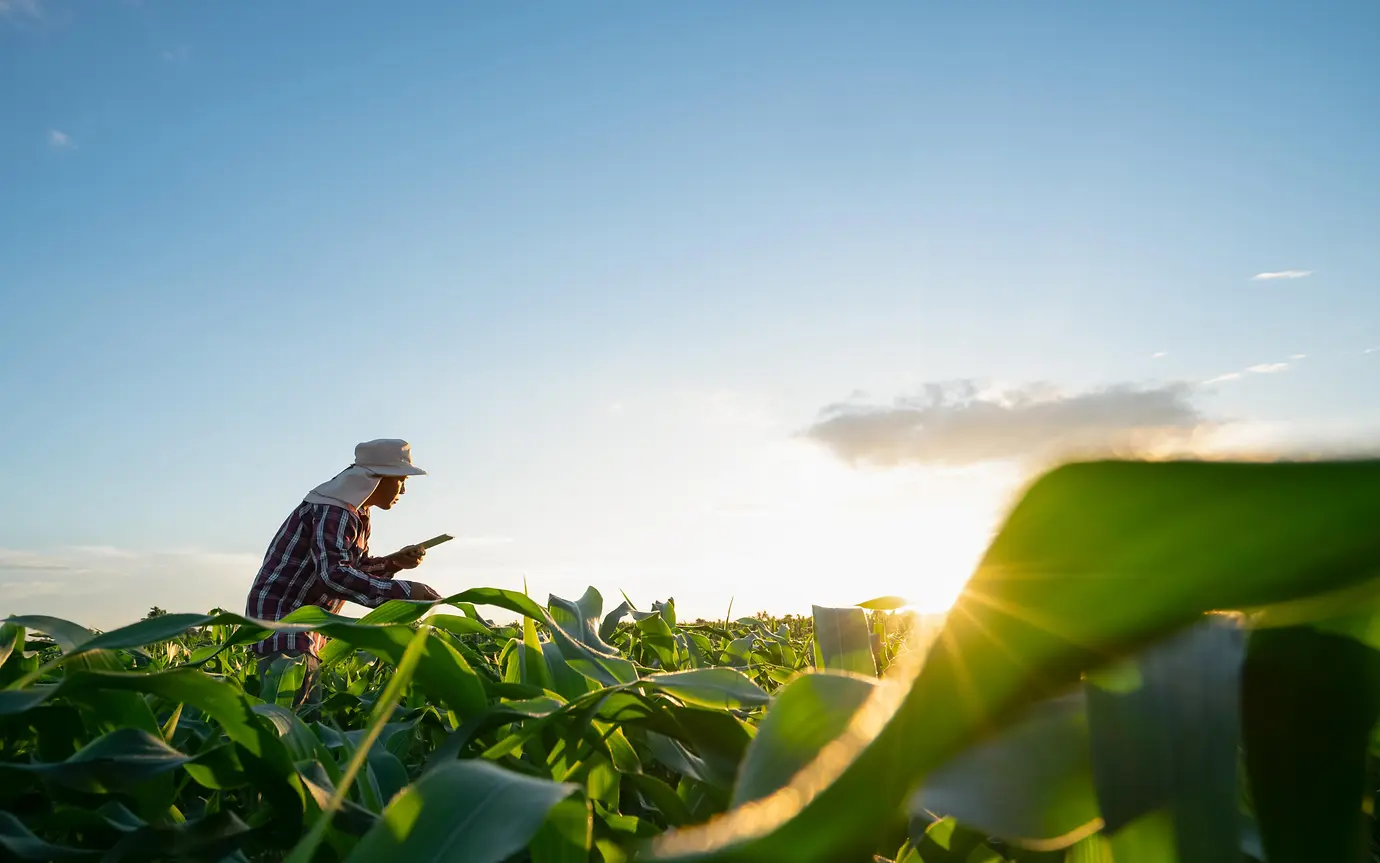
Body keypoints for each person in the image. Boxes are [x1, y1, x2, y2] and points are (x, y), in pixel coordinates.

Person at [244, 439, 444, 709]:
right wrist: (405, 593)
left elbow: (350, 569)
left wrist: (394, 563)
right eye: (401, 480)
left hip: (304, 624)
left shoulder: (356, 512)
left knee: (298, 721)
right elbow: (334, 576)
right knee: (295, 722)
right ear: (376, 479)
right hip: (285, 621)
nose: (404, 490)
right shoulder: (336, 511)